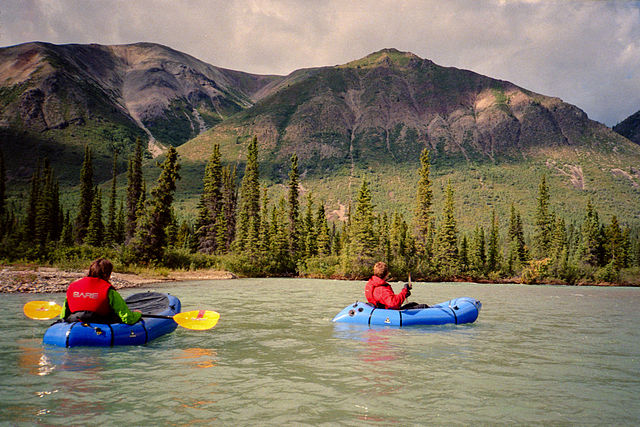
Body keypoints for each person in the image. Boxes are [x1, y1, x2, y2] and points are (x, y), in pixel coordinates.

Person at [60, 258, 142, 324]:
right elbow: (128, 319)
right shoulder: (109, 291)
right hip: (99, 322)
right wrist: (137, 314)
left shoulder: (72, 286)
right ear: (107, 274)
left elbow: (63, 315)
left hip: (75, 321)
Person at [364, 261, 428, 310]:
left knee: (414, 304)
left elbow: (386, 299)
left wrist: (404, 294)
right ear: (386, 274)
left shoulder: (371, 283)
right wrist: (404, 291)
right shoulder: (381, 289)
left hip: (382, 309)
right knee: (424, 306)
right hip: (389, 312)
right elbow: (394, 303)